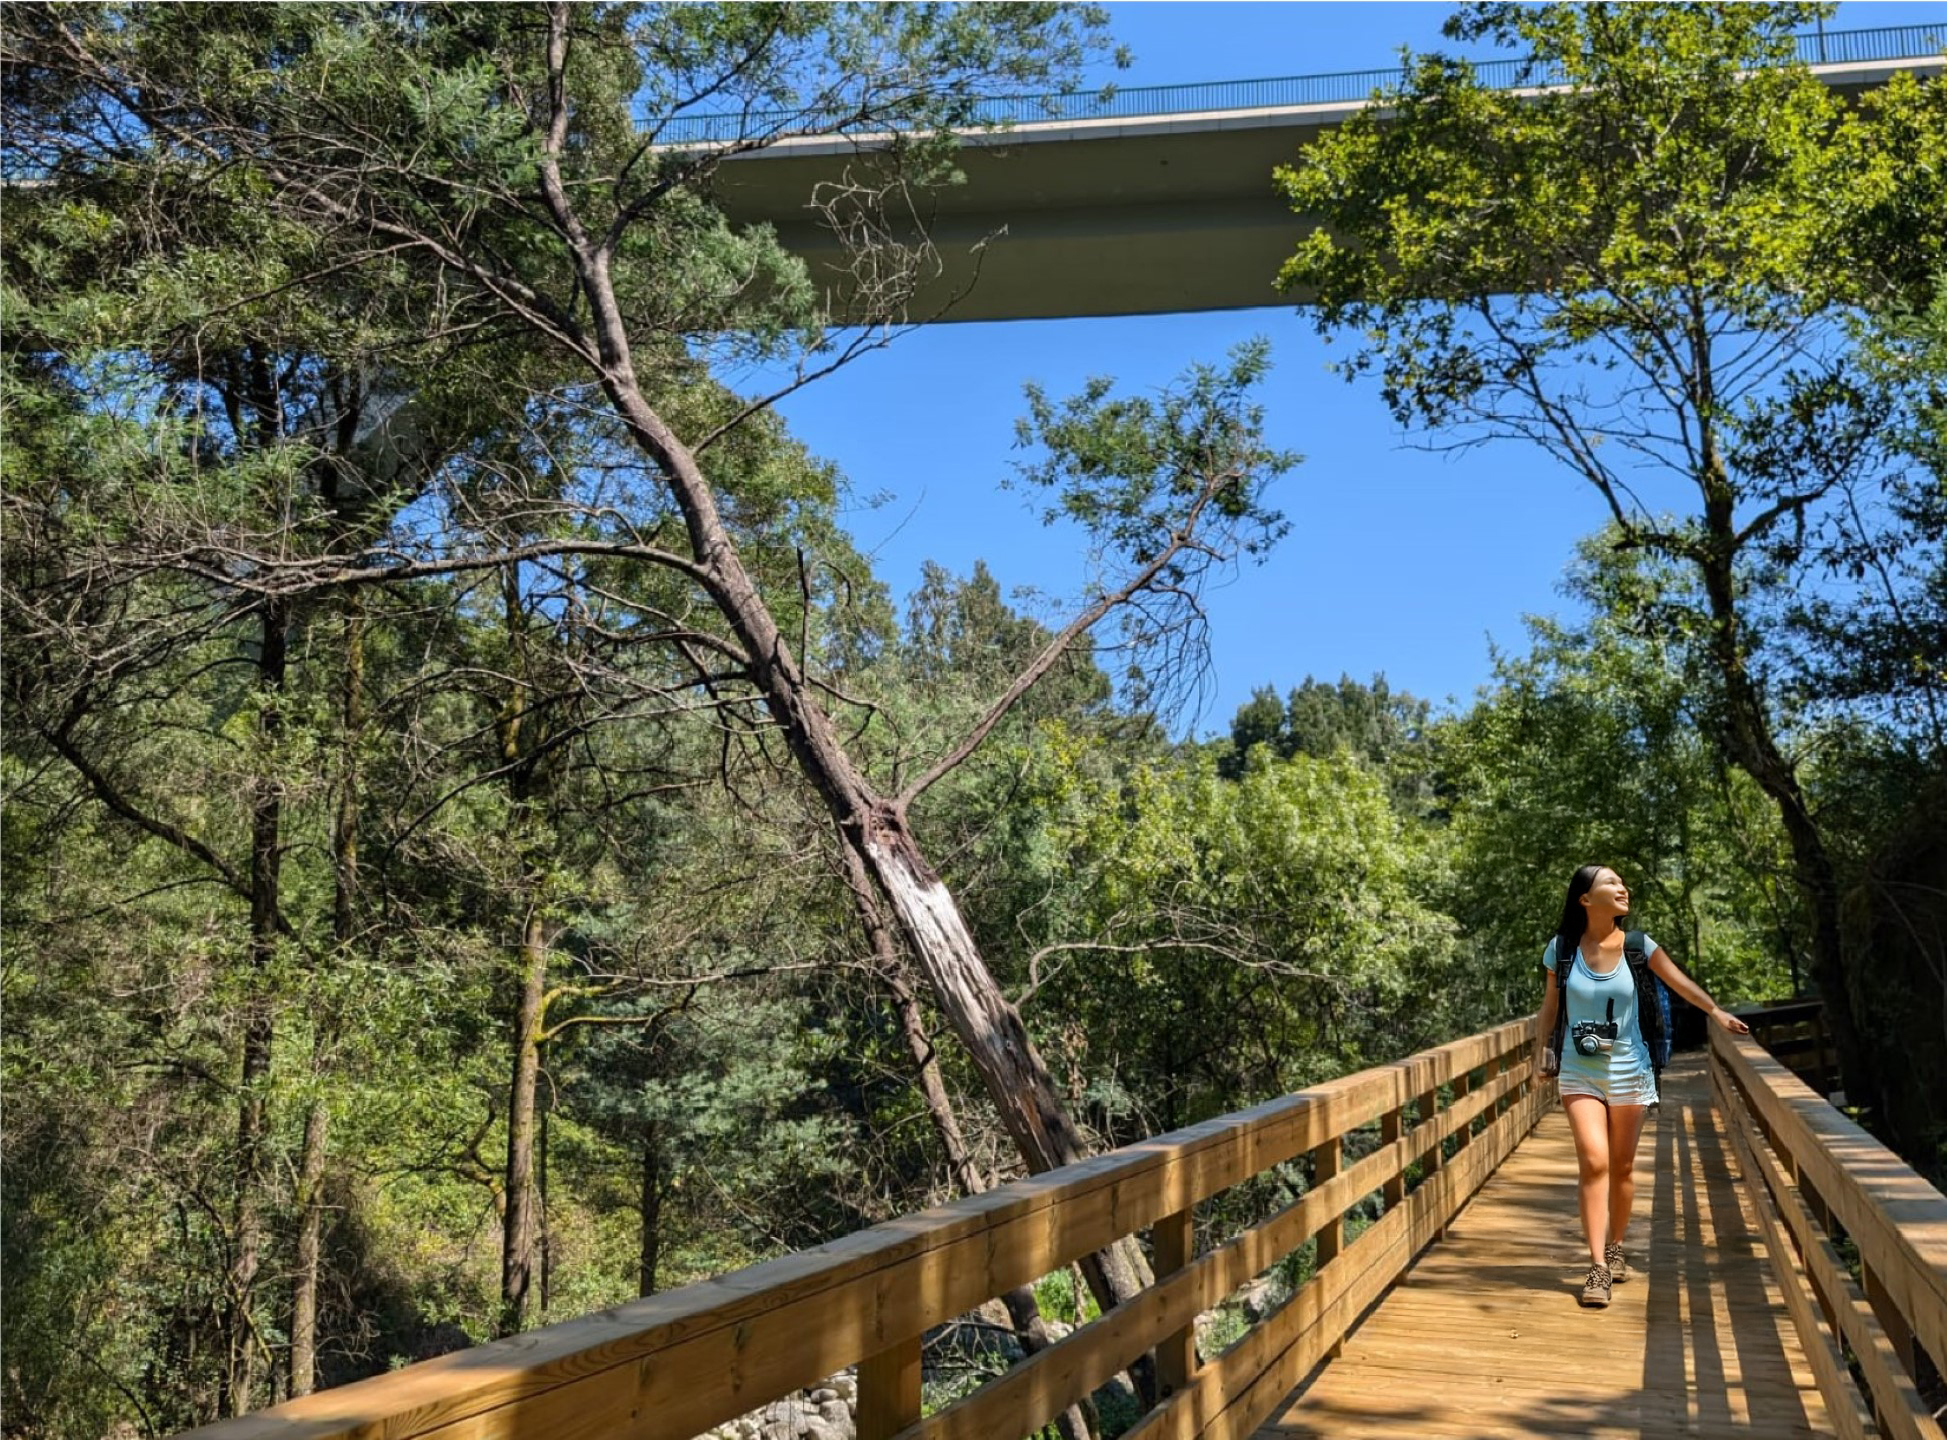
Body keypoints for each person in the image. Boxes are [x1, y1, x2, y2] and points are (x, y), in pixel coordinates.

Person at [1532, 864, 1750, 1308]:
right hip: (1579, 1069)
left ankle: (1616, 1246)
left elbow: (1679, 983)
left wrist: (1716, 1011)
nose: (1621, 888)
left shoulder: (1637, 946)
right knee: (1595, 1162)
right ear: (1585, 900)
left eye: (1621, 882)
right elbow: (1550, 1007)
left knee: (1623, 1167)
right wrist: (1542, 1052)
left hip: (1630, 1070)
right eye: (1610, 883)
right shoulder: (1562, 950)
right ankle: (1596, 1269)